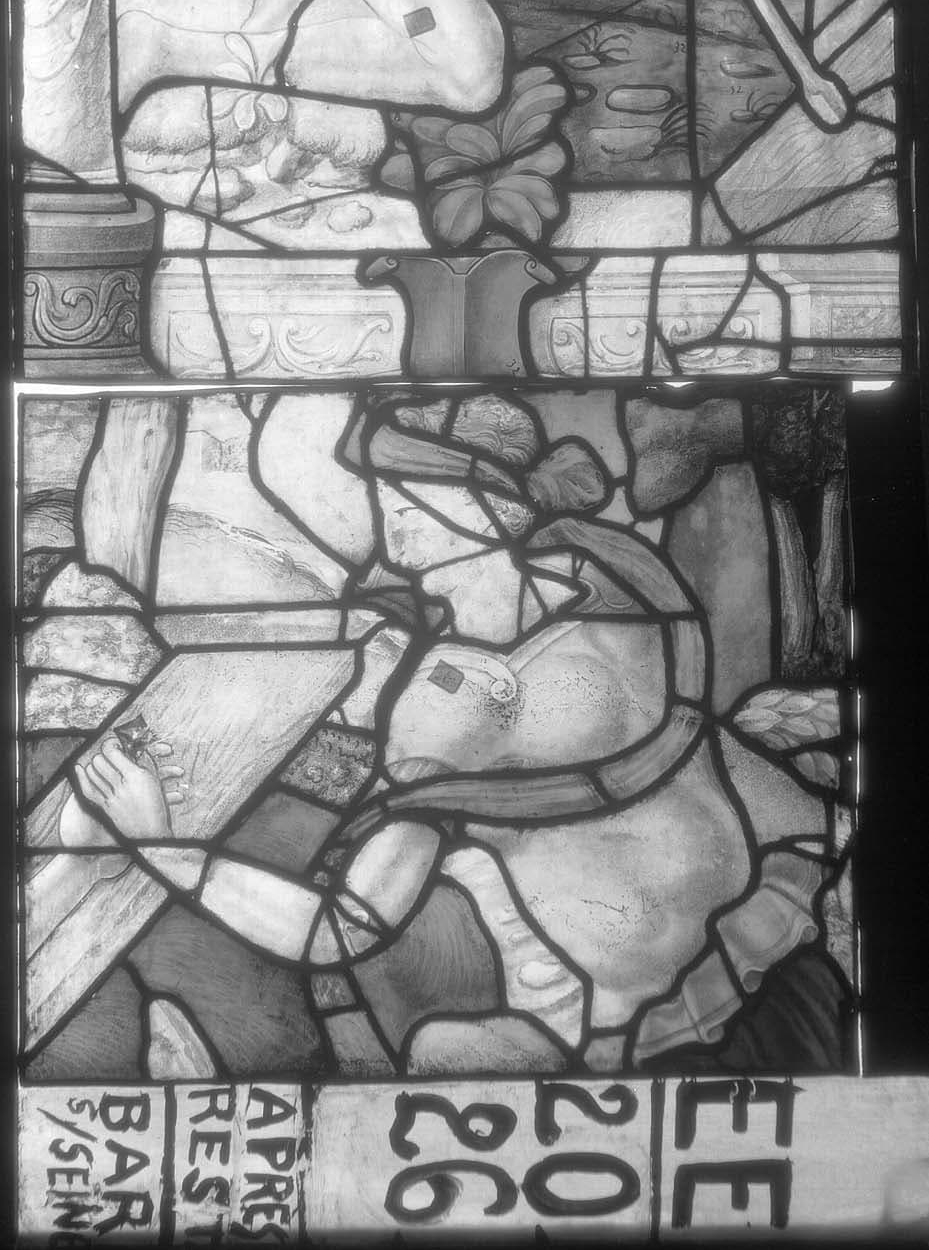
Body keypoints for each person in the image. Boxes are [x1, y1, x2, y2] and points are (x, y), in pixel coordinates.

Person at [68, 393, 844, 1072]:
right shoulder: (617, 584)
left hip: (732, 975)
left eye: (402, 490)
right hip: (760, 935)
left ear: (481, 504)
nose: (385, 511)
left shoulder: (455, 699)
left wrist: (162, 845)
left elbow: (339, 928)